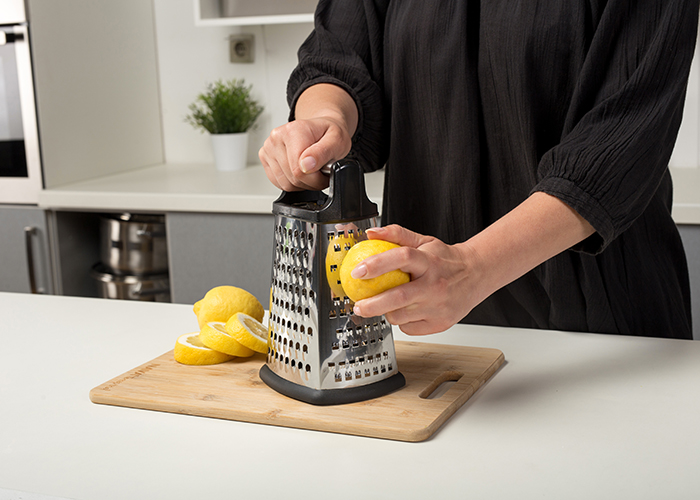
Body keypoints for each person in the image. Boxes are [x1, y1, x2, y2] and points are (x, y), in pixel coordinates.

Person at [259, 0, 698, 339]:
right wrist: (327, 120)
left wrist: (471, 267)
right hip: (431, 324)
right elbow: (340, 54)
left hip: (602, 325)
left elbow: (620, 141)